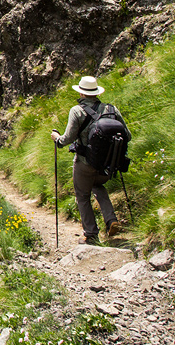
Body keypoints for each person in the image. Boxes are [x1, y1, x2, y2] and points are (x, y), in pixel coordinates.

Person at [51, 76, 130, 244]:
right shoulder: (111, 109)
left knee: (82, 195)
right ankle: (111, 220)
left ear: (81, 92)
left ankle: (91, 233)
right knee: (97, 185)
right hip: (108, 164)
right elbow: (127, 135)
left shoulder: (77, 111)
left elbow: (68, 138)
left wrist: (56, 138)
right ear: (96, 92)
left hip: (85, 164)